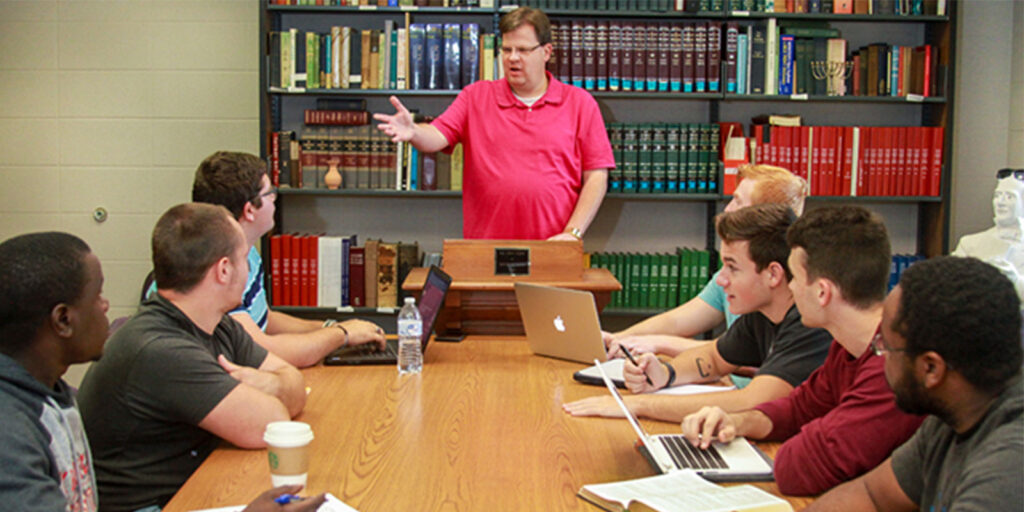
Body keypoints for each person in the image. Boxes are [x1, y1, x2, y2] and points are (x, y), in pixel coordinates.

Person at [78, 203, 308, 511]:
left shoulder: (217, 324)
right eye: (244, 258)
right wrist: (276, 389)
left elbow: (294, 381)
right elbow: (273, 422)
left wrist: (269, 385)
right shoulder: (160, 349)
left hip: (190, 488)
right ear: (224, 269)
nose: (249, 269)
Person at [681, 206, 925, 496]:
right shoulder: (848, 348)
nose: (791, 289)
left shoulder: (891, 369)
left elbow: (800, 468)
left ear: (822, 292)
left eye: (795, 278)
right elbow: (799, 408)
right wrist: (737, 421)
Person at [563, 204, 832, 422]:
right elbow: (715, 358)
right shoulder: (763, 312)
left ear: (773, 274)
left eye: (732, 267)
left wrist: (637, 404)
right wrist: (665, 374)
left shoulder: (811, 323)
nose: (721, 280)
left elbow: (752, 402)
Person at [374, 6, 615, 241]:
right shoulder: (475, 97)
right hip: (486, 250)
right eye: (507, 49)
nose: (512, 58)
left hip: (554, 249)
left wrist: (572, 233)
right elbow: (437, 135)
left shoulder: (580, 104)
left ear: (547, 52)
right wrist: (414, 131)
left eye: (522, 50)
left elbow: (596, 177)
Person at [804, 256, 1022, 511]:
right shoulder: (952, 417)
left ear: (931, 368)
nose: (879, 356)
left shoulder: (1010, 468)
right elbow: (871, 494)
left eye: (885, 346)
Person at [189, 151, 385, 367]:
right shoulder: (218, 272)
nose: (275, 197)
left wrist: (328, 328)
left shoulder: (248, 253)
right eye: (269, 193)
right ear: (250, 210)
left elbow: (265, 320)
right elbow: (261, 350)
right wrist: (342, 335)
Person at [603, 164, 808, 360]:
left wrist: (656, 343)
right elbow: (679, 321)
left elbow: (734, 356)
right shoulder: (731, 276)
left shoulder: (784, 295)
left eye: (737, 201)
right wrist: (617, 339)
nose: (727, 209)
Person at [0, 232, 108, 512]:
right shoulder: (9, 432)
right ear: (63, 320)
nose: (105, 306)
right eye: (97, 296)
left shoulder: (52, 391)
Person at [952, 168, 1024, 302]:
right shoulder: (970, 244)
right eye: (997, 196)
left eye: (1009, 197)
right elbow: (949, 286)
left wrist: (1015, 281)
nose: (1000, 203)